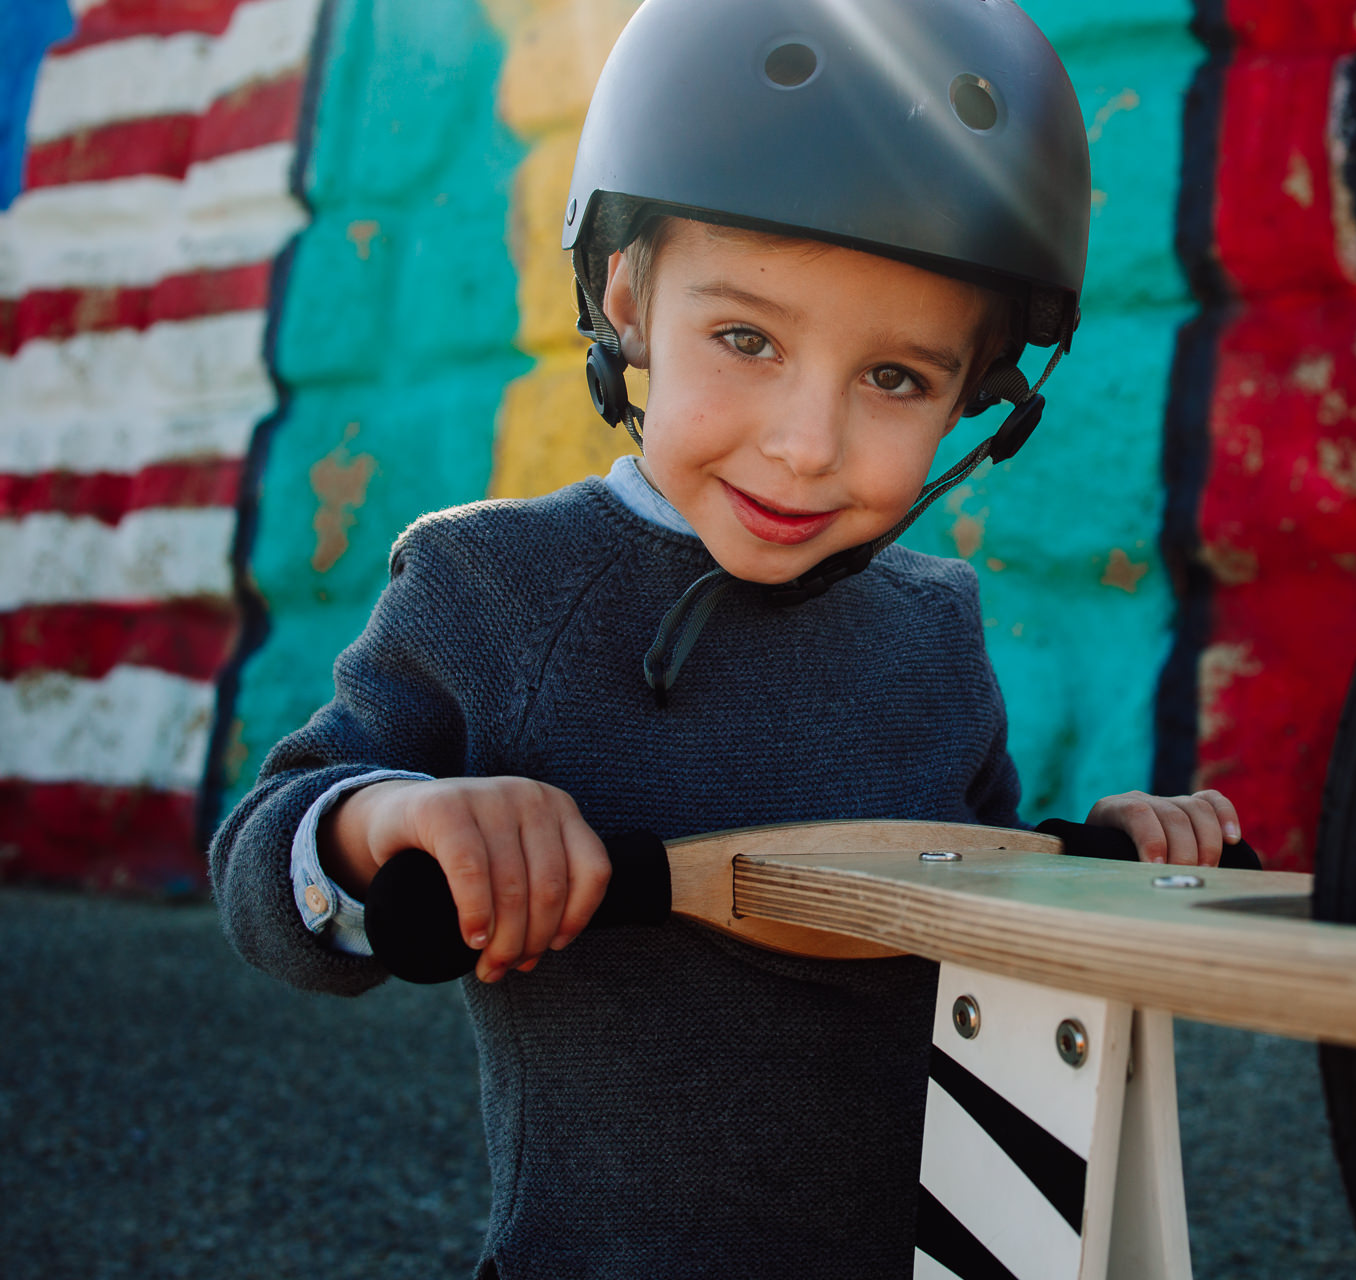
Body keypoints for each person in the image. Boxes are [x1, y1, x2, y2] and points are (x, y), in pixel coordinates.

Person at [210, 0, 1244, 1275]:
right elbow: (268, 869)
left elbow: (968, 918)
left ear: (982, 396)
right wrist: (383, 826)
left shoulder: (935, 626)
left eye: (896, 378)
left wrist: (1101, 865)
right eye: (746, 338)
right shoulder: (496, 582)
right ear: (630, 297)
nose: (807, 444)